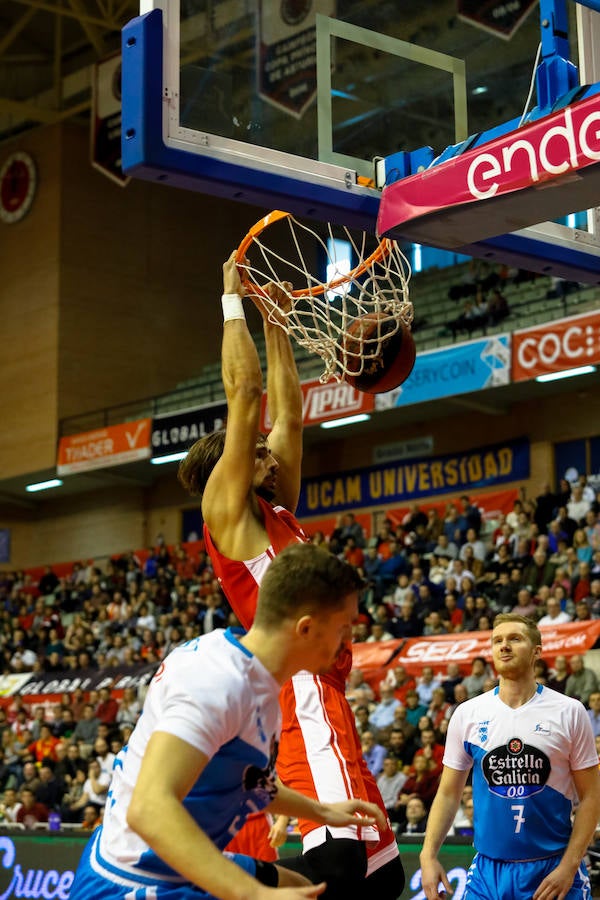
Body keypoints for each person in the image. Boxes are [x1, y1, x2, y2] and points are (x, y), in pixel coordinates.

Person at [177, 254, 403, 898]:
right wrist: (233, 302)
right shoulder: (228, 516)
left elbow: (290, 415)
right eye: (256, 452)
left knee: (383, 877)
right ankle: (224, 887)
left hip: (328, 694)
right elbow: (246, 395)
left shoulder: (277, 509)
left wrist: (279, 319)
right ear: (230, 469)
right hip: (298, 693)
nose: (271, 457)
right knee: (335, 871)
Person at [69, 543, 386, 900]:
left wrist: (320, 810)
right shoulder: (217, 683)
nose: (350, 641)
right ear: (306, 628)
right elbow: (148, 808)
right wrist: (250, 893)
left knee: (303, 889)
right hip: (135, 879)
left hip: (167, 858)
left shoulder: (255, 675)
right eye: (345, 628)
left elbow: (247, 780)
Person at [419, 613, 600, 900]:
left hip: (553, 868)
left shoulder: (569, 711)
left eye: (515, 639)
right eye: (497, 641)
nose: (504, 646)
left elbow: (591, 796)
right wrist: (428, 856)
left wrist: (569, 866)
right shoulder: (467, 713)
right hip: (488, 872)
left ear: (537, 652)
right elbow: (448, 794)